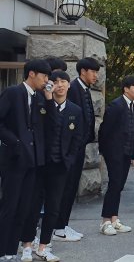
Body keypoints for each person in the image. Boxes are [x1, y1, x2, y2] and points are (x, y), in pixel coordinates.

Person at [20, 70, 83, 262]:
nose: (60, 85)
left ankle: (44, 246)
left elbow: (78, 138)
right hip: (39, 164)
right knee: (32, 206)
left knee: (53, 208)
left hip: (60, 166)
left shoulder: (75, 110)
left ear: (69, 85)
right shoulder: (41, 105)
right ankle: (27, 246)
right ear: (49, 85)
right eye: (55, 82)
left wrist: (69, 159)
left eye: (64, 81)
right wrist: (48, 100)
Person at [0, 59, 55, 260]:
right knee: (10, 205)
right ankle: (2, 249)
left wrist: (49, 99)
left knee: (25, 207)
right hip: (15, 159)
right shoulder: (13, 93)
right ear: (31, 73)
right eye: (44, 75)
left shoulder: (41, 98)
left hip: (34, 161)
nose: (47, 80)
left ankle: (10, 250)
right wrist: (15, 142)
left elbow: (51, 125)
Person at [54, 57, 100, 241]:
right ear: (83, 72)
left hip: (79, 147)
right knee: (65, 189)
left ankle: (63, 225)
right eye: (93, 72)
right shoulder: (73, 89)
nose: (96, 75)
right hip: (71, 149)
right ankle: (58, 227)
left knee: (72, 187)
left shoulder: (84, 89)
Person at [98, 75, 134, 236]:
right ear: (126, 89)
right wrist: (105, 151)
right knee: (115, 184)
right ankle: (105, 221)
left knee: (119, 186)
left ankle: (114, 219)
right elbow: (105, 130)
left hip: (126, 151)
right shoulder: (116, 105)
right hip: (114, 152)